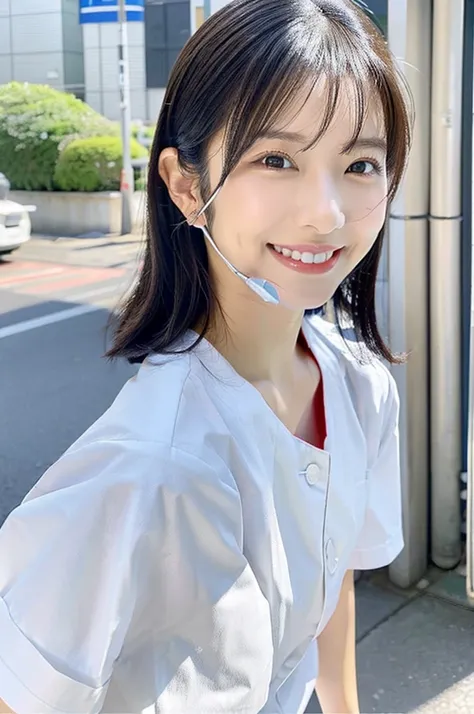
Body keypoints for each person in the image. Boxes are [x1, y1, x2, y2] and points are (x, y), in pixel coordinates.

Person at [0, 1, 413, 712]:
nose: (328, 212)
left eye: (361, 163)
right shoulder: (143, 469)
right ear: (188, 185)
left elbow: (333, 576)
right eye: (276, 159)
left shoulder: (361, 387)